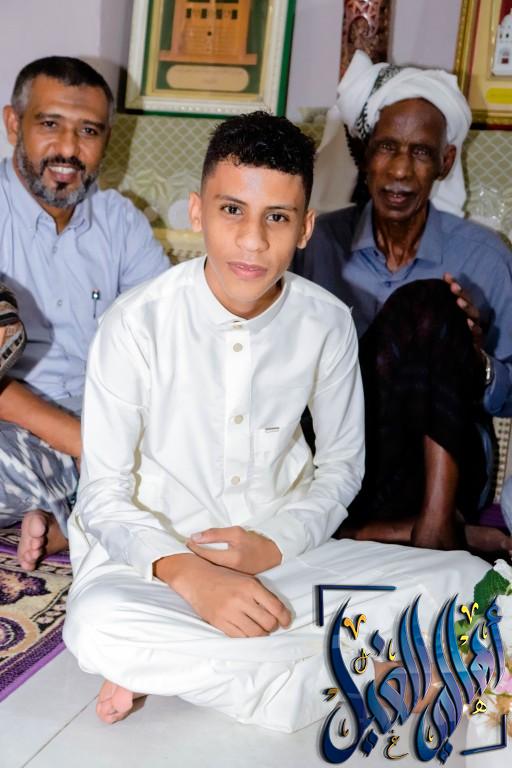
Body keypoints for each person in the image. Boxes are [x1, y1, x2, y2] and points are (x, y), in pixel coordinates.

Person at [63, 111, 489, 731]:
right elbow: (102, 495)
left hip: (284, 562)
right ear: (197, 212)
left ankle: (197, 664)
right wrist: (194, 578)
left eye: (278, 218)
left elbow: (341, 470)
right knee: (96, 622)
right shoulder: (133, 325)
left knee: (468, 579)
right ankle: (344, 668)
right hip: (157, 568)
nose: (253, 241)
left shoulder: (327, 322)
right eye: (232, 210)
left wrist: (274, 544)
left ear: (306, 227)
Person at [293, 51, 512, 557]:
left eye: (420, 152)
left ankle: (434, 523)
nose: (399, 170)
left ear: (445, 162)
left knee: (434, 301)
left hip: (449, 472)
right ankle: (403, 532)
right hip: (340, 459)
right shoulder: (315, 244)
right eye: (387, 147)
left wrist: (476, 362)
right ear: (364, 154)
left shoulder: (484, 258)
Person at [0, 57, 169, 571]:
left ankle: (72, 519)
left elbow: (165, 343)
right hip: (21, 424)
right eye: (50, 124)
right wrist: (83, 443)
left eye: (88, 131)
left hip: (105, 423)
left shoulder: (121, 223)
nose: (69, 149)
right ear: (14, 124)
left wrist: (114, 437)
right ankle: (88, 514)